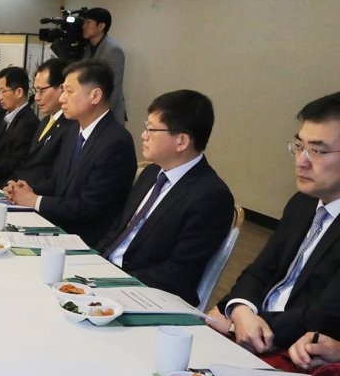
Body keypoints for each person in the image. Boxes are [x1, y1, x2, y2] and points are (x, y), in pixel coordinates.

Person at [208, 92, 340, 354]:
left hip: (291, 352)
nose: (301, 161)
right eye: (299, 146)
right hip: (251, 330)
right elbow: (260, 270)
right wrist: (240, 308)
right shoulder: (302, 203)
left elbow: (325, 316)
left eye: (316, 150)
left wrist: (237, 324)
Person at [95, 90, 234, 306]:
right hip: (106, 275)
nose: (143, 135)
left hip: (146, 294)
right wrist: (93, 260)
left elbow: (179, 273)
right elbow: (119, 228)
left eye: (151, 129)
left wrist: (114, 282)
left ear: (181, 141)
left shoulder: (211, 197)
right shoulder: (152, 172)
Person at [4, 59, 135, 246]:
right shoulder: (73, 130)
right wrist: (27, 191)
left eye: (69, 91)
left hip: (87, 240)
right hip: (59, 228)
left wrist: (35, 201)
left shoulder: (116, 143)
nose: (62, 98)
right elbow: (58, 181)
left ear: (95, 96)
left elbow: (89, 207)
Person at [10, 58, 71, 186]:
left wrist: (28, 191)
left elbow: (53, 175)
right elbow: (29, 163)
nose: (37, 97)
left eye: (41, 90)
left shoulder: (71, 126)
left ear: (62, 88)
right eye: (35, 91)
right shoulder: (45, 121)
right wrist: (11, 184)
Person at [81, 7, 126, 125]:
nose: (84, 26)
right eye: (84, 23)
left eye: (88, 23)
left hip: (107, 113)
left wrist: (99, 115)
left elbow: (114, 87)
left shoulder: (113, 50)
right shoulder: (88, 48)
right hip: (91, 109)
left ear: (101, 26)